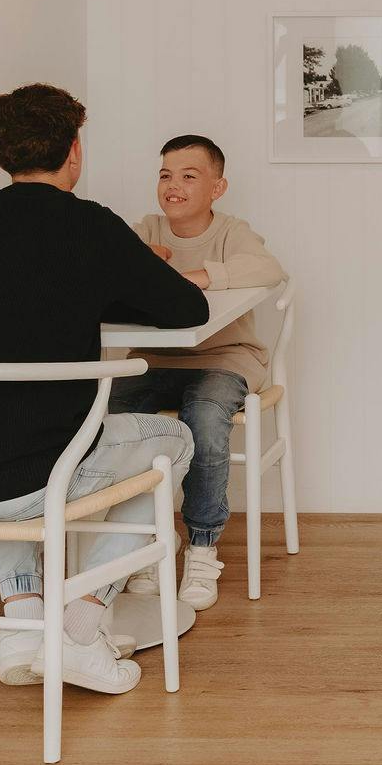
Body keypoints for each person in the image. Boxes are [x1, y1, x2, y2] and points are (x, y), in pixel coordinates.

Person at [0, 84, 209, 694]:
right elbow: (185, 307)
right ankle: (82, 624)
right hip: (42, 478)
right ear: (74, 150)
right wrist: (108, 285)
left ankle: (21, 624)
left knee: (7, 432)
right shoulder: (89, 225)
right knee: (173, 441)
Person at [108, 134, 289, 610]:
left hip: (224, 358)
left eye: (190, 176)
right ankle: (143, 541)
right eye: (165, 175)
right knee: (111, 418)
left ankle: (203, 546)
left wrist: (201, 277)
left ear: (218, 187)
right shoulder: (144, 230)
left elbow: (269, 269)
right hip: (154, 360)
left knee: (205, 418)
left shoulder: (231, 232)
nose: (174, 185)